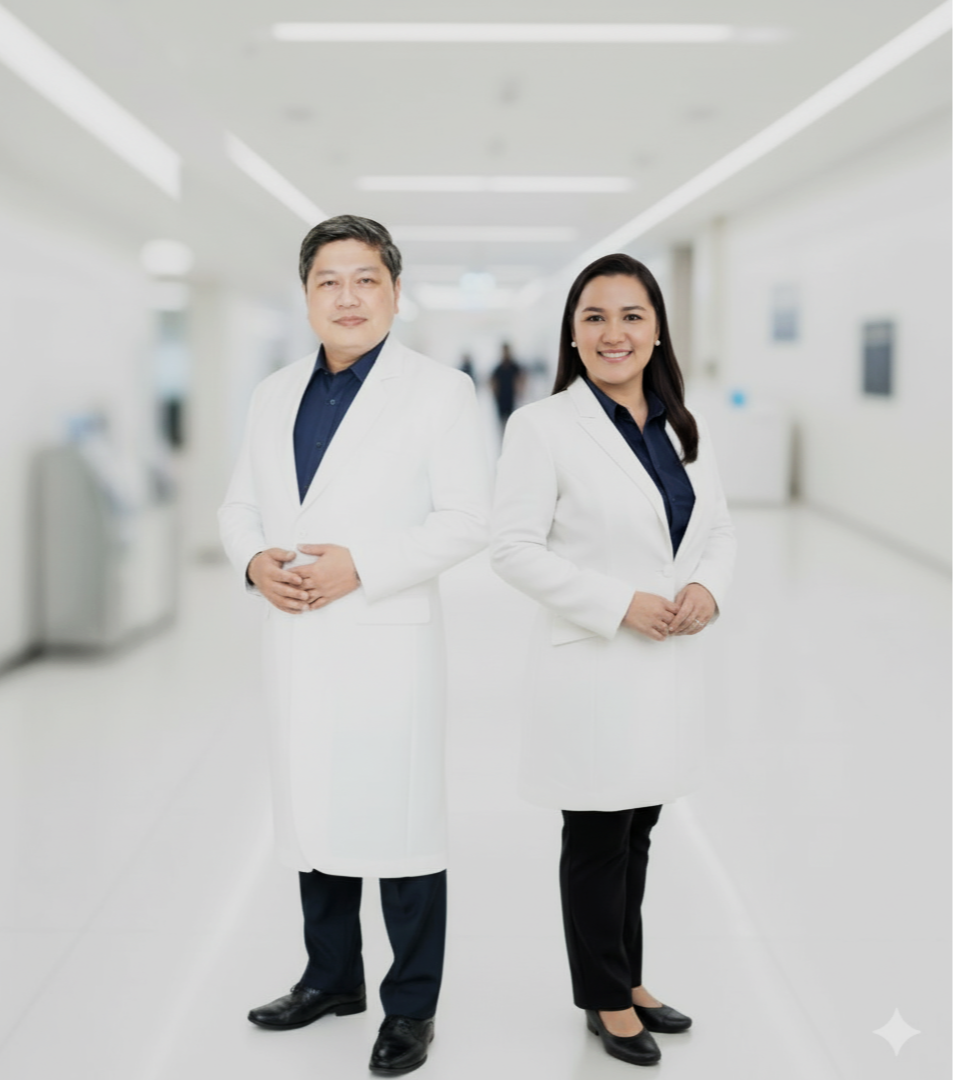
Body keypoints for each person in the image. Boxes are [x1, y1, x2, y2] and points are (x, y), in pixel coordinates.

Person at [219, 215, 490, 1075]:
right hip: (297, 635)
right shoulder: (271, 394)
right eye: (328, 280)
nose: (347, 296)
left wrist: (361, 568)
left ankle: (410, 1007)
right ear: (305, 297)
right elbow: (239, 509)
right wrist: (255, 561)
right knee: (313, 811)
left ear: (395, 293)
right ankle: (330, 978)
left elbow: (466, 520)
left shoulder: (439, 392)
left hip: (385, 637)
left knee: (400, 822)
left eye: (365, 279)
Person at [490, 253, 736, 1067]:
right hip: (593, 664)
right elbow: (512, 549)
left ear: (657, 327)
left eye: (630, 315)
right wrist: (614, 601)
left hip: (662, 664)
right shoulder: (542, 427)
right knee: (596, 833)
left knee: (638, 829)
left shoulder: (679, 424)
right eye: (593, 317)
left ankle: (625, 979)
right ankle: (601, 996)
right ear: (572, 332)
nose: (612, 333)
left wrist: (706, 586)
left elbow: (715, 533)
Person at [488, 342, 525, 427]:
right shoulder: (498, 368)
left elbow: (521, 379)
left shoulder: (514, 366)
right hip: (501, 397)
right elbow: (492, 381)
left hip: (511, 396)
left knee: (512, 418)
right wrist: (494, 393)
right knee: (502, 420)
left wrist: (521, 391)